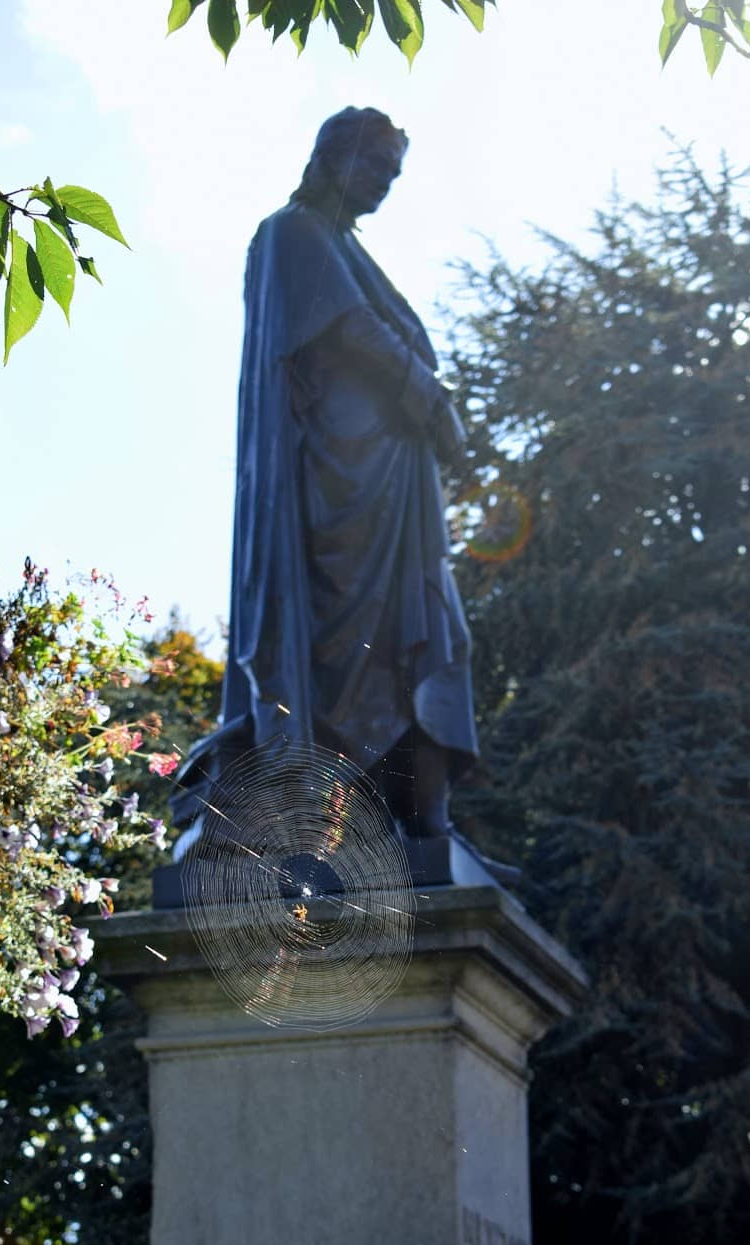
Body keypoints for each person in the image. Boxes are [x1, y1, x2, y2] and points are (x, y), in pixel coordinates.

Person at [172, 106, 478, 852]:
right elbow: (349, 331)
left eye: (393, 175)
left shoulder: (341, 245)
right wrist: (430, 399)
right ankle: (342, 819)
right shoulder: (292, 231)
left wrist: (426, 411)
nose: (382, 185)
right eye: (373, 166)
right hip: (336, 500)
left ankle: (428, 829)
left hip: (388, 485)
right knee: (368, 646)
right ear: (332, 157)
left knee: (427, 634)